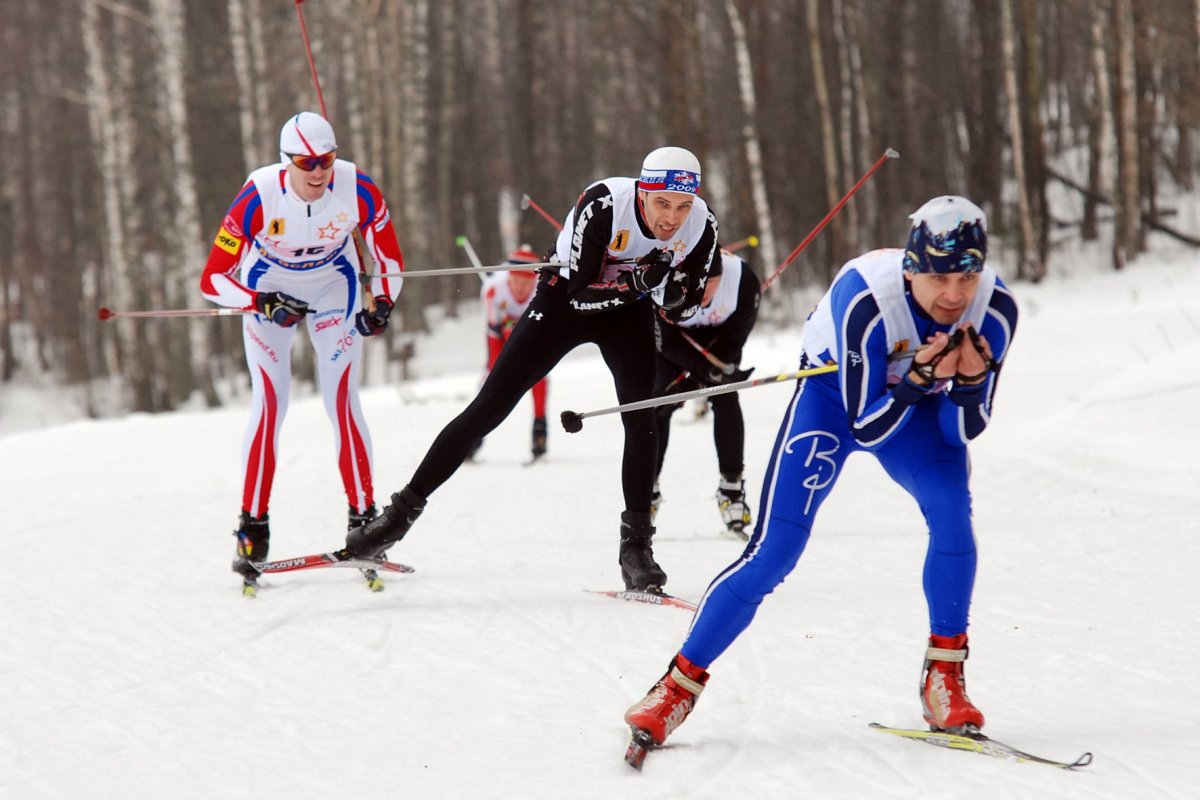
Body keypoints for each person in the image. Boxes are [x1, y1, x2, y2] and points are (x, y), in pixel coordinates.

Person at [624, 196, 1020, 751]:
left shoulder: (995, 309)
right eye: (938, 278)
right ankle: (675, 687)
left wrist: (971, 384)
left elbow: (963, 431)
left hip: (918, 406)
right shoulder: (869, 298)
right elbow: (868, 425)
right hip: (835, 400)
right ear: (912, 269)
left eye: (967, 277)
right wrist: (922, 375)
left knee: (954, 518)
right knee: (775, 551)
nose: (954, 295)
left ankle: (945, 680)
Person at [339, 146, 719, 591]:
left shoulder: (702, 226)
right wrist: (638, 281)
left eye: (683, 206)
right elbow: (581, 295)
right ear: (643, 191)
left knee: (642, 417)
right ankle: (394, 520)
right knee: (489, 408)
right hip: (565, 302)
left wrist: (671, 292)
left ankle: (636, 548)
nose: (672, 218)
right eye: (662, 204)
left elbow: (684, 307)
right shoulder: (604, 205)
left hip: (628, 315)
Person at [200, 111, 405, 593]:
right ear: (286, 162)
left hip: (334, 283)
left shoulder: (358, 188)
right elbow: (213, 279)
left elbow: (390, 257)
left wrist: (384, 304)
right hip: (268, 283)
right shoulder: (258, 195)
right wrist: (260, 302)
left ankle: (365, 523)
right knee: (271, 406)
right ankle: (253, 529)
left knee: (343, 401)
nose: (318, 172)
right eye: (307, 162)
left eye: (327, 160)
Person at [652, 249, 761, 538]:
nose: (702, 292)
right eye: (695, 285)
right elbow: (666, 343)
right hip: (675, 345)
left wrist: (713, 375)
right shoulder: (665, 281)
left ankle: (732, 489)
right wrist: (693, 380)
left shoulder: (743, 282)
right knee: (659, 401)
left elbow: (735, 340)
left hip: (719, 341)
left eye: (709, 283)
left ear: (721, 276)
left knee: (726, 396)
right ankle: (647, 489)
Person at [468, 247, 550, 462]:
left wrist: (518, 327)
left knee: (538, 372)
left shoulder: (541, 289)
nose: (521, 287)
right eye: (516, 281)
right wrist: (508, 328)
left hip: (530, 328)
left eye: (527, 282)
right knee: (493, 373)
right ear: (509, 277)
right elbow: (495, 328)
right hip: (499, 332)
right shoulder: (493, 290)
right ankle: (473, 432)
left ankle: (539, 427)